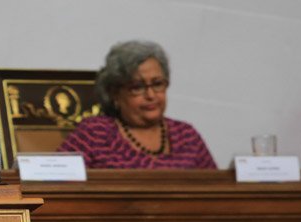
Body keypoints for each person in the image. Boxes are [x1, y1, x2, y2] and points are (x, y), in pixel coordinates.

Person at [56, 40, 216, 169]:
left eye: (158, 84)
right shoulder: (94, 134)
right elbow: (54, 180)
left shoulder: (187, 136)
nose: (151, 95)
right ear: (115, 93)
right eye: (137, 87)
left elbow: (218, 192)